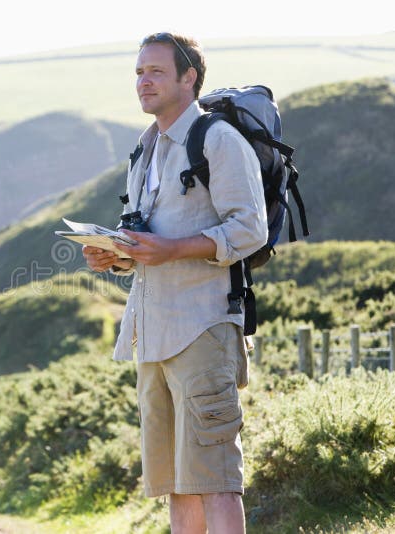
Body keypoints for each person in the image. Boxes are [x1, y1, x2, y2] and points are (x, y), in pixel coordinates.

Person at [83, 32, 268, 533]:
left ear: (189, 77)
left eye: (157, 71)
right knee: (176, 483)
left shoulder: (218, 140)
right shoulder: (145, 150)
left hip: (203, 328)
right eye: (139, 72)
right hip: (153, 335)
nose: (144, 81)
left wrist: (173, 250)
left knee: (216, 480)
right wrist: (117, 256)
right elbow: (152, 236)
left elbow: (251, 228)